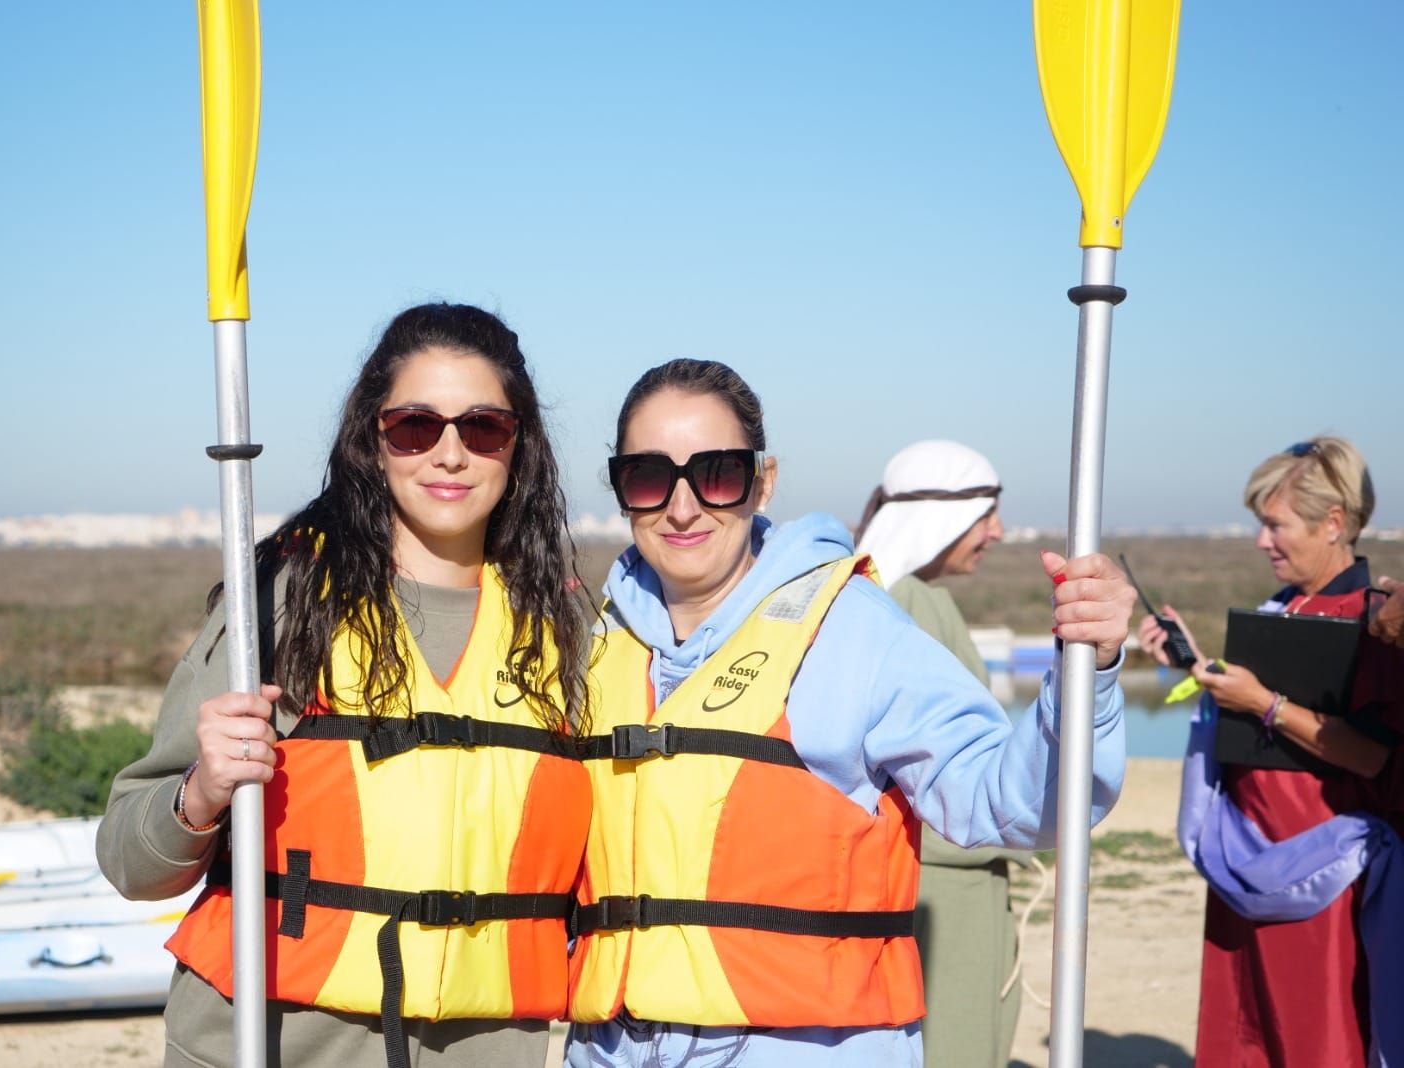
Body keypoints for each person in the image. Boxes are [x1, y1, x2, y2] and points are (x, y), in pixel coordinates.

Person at [565, 359, 1135, 1067]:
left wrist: (1091, 668)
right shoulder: (594, 646)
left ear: (764, 480)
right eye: (649, 478)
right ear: (621, 489)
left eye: (717, 473)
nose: (683, 509)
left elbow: (1012, 802)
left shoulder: (854, 630)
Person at [96, 303, 595, 1068]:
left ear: (518, 445)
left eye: (483, 427)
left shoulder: (567, 634)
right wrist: (200, 793)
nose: (450, 454)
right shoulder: (281, 600)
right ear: (373, 439)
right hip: (271, 1044)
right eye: (416, 427)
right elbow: (131, 862)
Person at [1138, 436, 1403, 1067]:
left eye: (1274, 523)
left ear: (1333, 523)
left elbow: (1375, 759)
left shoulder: (1375, 624)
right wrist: (1199, 667)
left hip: (1324, 879)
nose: (1261, 540)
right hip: (1246, 864)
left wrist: (1263, 703)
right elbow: (1252, 708)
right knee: (1245, 1034)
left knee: (1314, 1039)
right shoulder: (1280, 609)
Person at [854, 439, 1029, 1068]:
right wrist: (1024, 826)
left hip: (934, 880)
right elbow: (919, 779)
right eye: (987, 515)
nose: (999, 532)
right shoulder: (912, 602)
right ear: (943, 516)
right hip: (939, 891)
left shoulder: (893, 593)